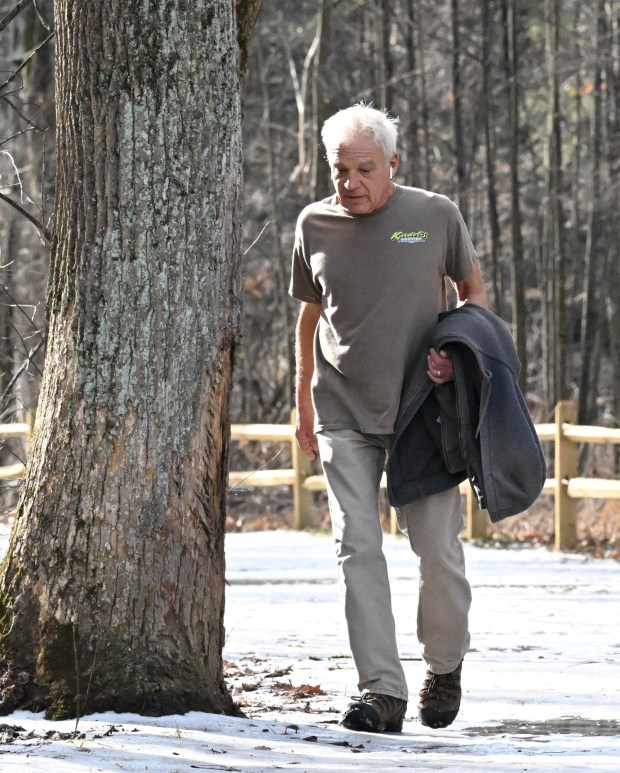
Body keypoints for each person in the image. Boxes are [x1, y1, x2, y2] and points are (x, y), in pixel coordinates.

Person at [289, 104, 488, 734]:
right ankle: (381, 691)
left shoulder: (432, 216)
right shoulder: (314, 224)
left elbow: (473, 292)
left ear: (393, 164)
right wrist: (301, 402)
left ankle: (445, 665)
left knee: (438, 553)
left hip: (422, 413)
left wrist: (458, 358)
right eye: (339, 169)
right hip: (343, 411)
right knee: (358, 547)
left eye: (363, 169)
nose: (349, 182)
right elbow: (309, 317)